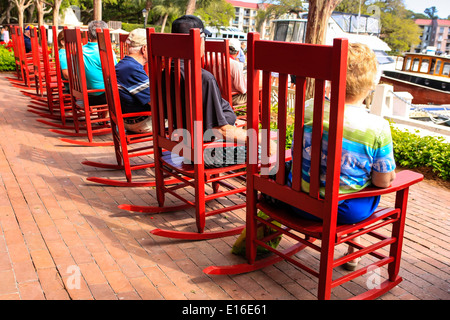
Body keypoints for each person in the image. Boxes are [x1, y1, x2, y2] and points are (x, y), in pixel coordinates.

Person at [286, 42, 396, 270]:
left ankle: (352, 244)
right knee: (362, 186)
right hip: (344, 212)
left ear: (330, 77)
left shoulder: (307, 108)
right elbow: (381, 181)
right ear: (371, 84)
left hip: (299, 200)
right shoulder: (378, 127)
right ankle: (353, 246)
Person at [169, 15, 275, 167]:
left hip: (181, 144)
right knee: (264, 150)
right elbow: (220, 131)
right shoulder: (202, 78)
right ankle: (261, 187)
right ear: (199, 41)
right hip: (204, 152)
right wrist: (260, 140)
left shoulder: (166, 71)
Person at [115, 28, 152, 133]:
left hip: (129, 119)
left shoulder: (124, 64)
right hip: (141, 122)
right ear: (144, 49)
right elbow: (155, 103)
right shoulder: (132, 69)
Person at [82, 20, 117, 106]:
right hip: (100, 96)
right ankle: (110, 118)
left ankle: (106, 117)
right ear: (104, 34)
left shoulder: (79, 50)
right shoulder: (104, 51)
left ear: (89, 34)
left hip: (83, 94)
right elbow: (115, 73)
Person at [228, 38, 247, 106]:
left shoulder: (212, 60)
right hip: (232, 97)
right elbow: (241, 88)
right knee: (255, 93)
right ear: (238, 52)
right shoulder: (235, 64)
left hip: (217, 95)